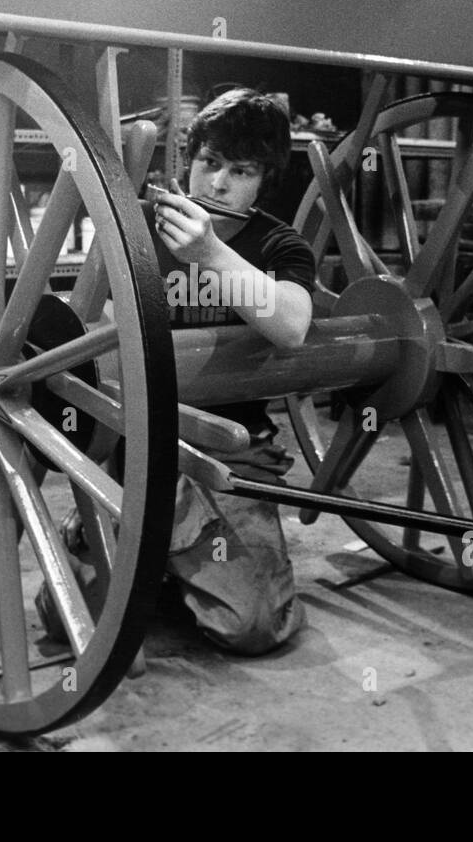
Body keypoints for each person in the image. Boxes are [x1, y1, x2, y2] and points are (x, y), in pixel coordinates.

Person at [143, 88, 316, 653]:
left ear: (263, 180)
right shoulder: (143, 229)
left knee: (252, 626)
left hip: (232, 454)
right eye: (209, 163)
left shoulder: (279, 244)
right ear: (190, 160)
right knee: (63, 614)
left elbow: (291, 328)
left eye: (240, 171)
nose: (217, 184)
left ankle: (169, 559)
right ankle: (160, 550)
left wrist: (211, 255)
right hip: (145, 449)